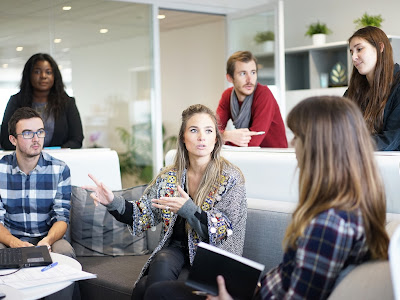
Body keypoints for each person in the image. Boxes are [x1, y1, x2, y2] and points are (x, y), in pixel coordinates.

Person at [207, 96, 389, 299]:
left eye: (298, 136)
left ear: (318, 147)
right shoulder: (350, 207)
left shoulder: (329, 225)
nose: (292, 145)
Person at [83, 104, 247, 300]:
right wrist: (111, 201)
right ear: (183, 139)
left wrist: (188, 209)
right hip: (176, 251)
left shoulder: (230, 177)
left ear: (216, 139)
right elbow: (142, 215)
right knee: (162, 258)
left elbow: (222, 231)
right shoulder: (170, 176)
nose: (202, 137)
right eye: (194, 130)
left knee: (145, 287)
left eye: (208, 131)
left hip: (213, 258)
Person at [0, 107, 75, 258]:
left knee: (65, 252)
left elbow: (61, 218)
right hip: (11, 238)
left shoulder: (60, 169)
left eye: (40, 132)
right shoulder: (1, 170)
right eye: (27, 133)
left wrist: (47, 240)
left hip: (48, 238)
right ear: (13, 139)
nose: (36, 139)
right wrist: (15, 243)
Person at [0, 53, 84, 150]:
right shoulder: (16, 101)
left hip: (59, 160)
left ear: (54, 76)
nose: (43, 76)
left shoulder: (67, 103)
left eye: (48, 72)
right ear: (29, 75)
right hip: (24, 161)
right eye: (37, 72)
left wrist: (55, 153)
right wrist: (31, 152)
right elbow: (5, 139)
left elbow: (77, 139)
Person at [216, 51, 287, 148]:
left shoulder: (263, 94)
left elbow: (253, 141)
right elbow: (212, 131)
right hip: (248, 155)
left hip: (274, 157)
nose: (249, 79)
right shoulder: (227, 96)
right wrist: (226, 135)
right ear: (230, 78)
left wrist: (222, 138)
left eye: (253, 72)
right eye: (243, 73)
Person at [346, 26, 400, 150]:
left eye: (359, 49)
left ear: (380, 47)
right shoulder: (353, 90)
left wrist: (350, 145)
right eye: (351, 52)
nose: (354, 57)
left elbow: (392, 138)